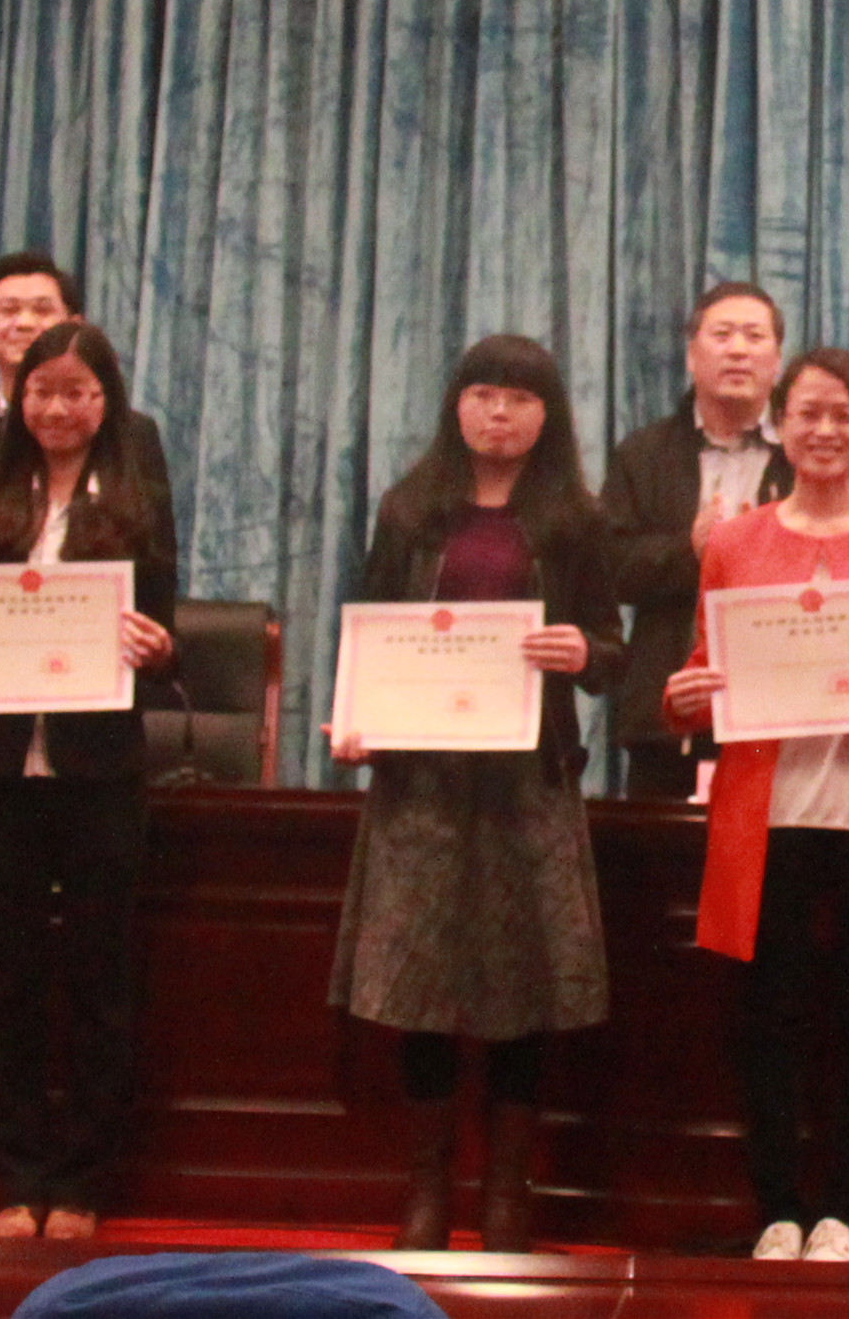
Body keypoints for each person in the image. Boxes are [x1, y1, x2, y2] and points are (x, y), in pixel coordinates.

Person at [660, 347, 849, 1265]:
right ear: (780, 427)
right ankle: (779, 1211)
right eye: (808, 414)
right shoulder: (733, 542)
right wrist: (683, 698)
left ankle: (846, 1214)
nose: (825, 431)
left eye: (844, 415)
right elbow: (705, 669)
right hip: (769, 813)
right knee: (768, 1017)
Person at [322, 335, 621, 1254]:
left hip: (528, 784)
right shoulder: (410, 510)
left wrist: (583, 651)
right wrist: (354, 719)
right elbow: (368, 633)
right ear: (456, 405)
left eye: (520, 399)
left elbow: (611, 651)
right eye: (483, 394)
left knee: (523, 988)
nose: (499, 413)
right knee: (421, 984)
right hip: (423, 785)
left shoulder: (575, 519)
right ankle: (426, 1191)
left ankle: (505, 1194)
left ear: (547, 416)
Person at [0, 320, 181, 1240]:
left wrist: (155, 647)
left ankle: (85, 1182)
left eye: (77, 392)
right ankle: (16, 1178)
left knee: (100, 978)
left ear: (106, 402)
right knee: (9, 976)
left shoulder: (136, 497)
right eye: (41, 391)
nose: (57, 408)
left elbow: (164, 632)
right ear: (19, 400)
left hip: (99, 768)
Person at [0, 252, 178, 634]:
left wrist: (157, 650)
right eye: (9, 310)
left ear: (75, 326)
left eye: (42, 310)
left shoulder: (134, 433)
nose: (25, 323)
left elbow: (157, 587)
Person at [603, 283, 790, 798]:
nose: (738, 350)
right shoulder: (643, 453)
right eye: (722, 334)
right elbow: (608, 569)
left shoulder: (806, 453)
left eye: (754, 336)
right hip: (668, 721)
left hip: (784, 712)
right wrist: (692, 550)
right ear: (691, 355)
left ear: (777, 361)